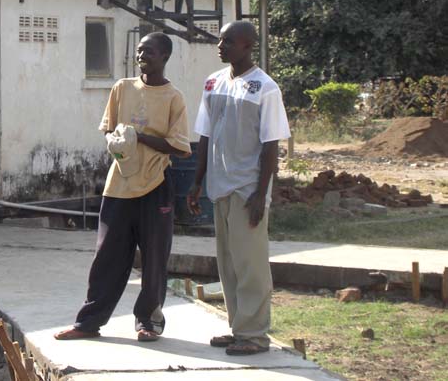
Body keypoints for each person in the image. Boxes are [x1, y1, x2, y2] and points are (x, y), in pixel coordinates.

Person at [54, 32, 191, 342]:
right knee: (107, 257)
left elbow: (180, 147)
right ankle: (88, 323)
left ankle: (148, 322)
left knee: (155, 257)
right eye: (140, 51)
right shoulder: (122, 88)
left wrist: (138, 137)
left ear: (165, 57)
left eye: (150, 52)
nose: (142, 56)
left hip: (156, 185)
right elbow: (108, 129)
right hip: (119, 184)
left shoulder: (173, 97)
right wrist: (117, 143)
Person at [187, 21, 290, 356]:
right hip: (219, 186)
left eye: (228, 41)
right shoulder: (213, 82)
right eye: (220, 40)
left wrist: (261, 193)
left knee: (251, 264)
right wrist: (197, 180)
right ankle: (238, 328)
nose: (221, 46)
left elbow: (271, 146)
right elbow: (204, 135)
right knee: (228, 262)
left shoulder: (265, 88)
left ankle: (255, 334)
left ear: (248, 46)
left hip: (247, 189)